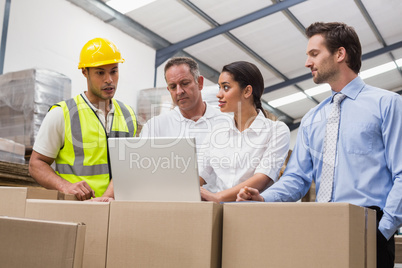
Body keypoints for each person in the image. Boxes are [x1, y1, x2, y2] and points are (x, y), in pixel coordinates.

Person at [237, 22, 402, 268]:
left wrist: (382, 231)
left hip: (368, 227)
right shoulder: (312, 118)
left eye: (314, 54)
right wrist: (264, 199)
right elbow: (297, 178)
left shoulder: (388, 105)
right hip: (320, 228)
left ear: (340, 54)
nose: (307, 62)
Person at [29, 37, 137, 201]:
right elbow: (36, 164)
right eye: (100, 72)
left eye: (114, 71)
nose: (109, 80)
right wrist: (66, 186)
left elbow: (129, 164)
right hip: (76, 209)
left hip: (115, 210)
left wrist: (107, 199)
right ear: (85, 72)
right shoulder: (62, 114)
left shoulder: (128, 114)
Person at [198, 61, 290, 202]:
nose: (219, 94)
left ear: (247, 91)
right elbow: (200, 174)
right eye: (219, 88)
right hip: (219, 213)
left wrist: (217, 197)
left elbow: (262, 178)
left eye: (226, 87)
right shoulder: (216, 133)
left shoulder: (276, 131)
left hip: (253, 213)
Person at [140, 57, 226, 147]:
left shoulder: (226, 124)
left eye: (185, 83)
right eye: (173, 87)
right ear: (169, 90)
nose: (179, 91)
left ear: (200, 83)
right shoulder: (154, 128)